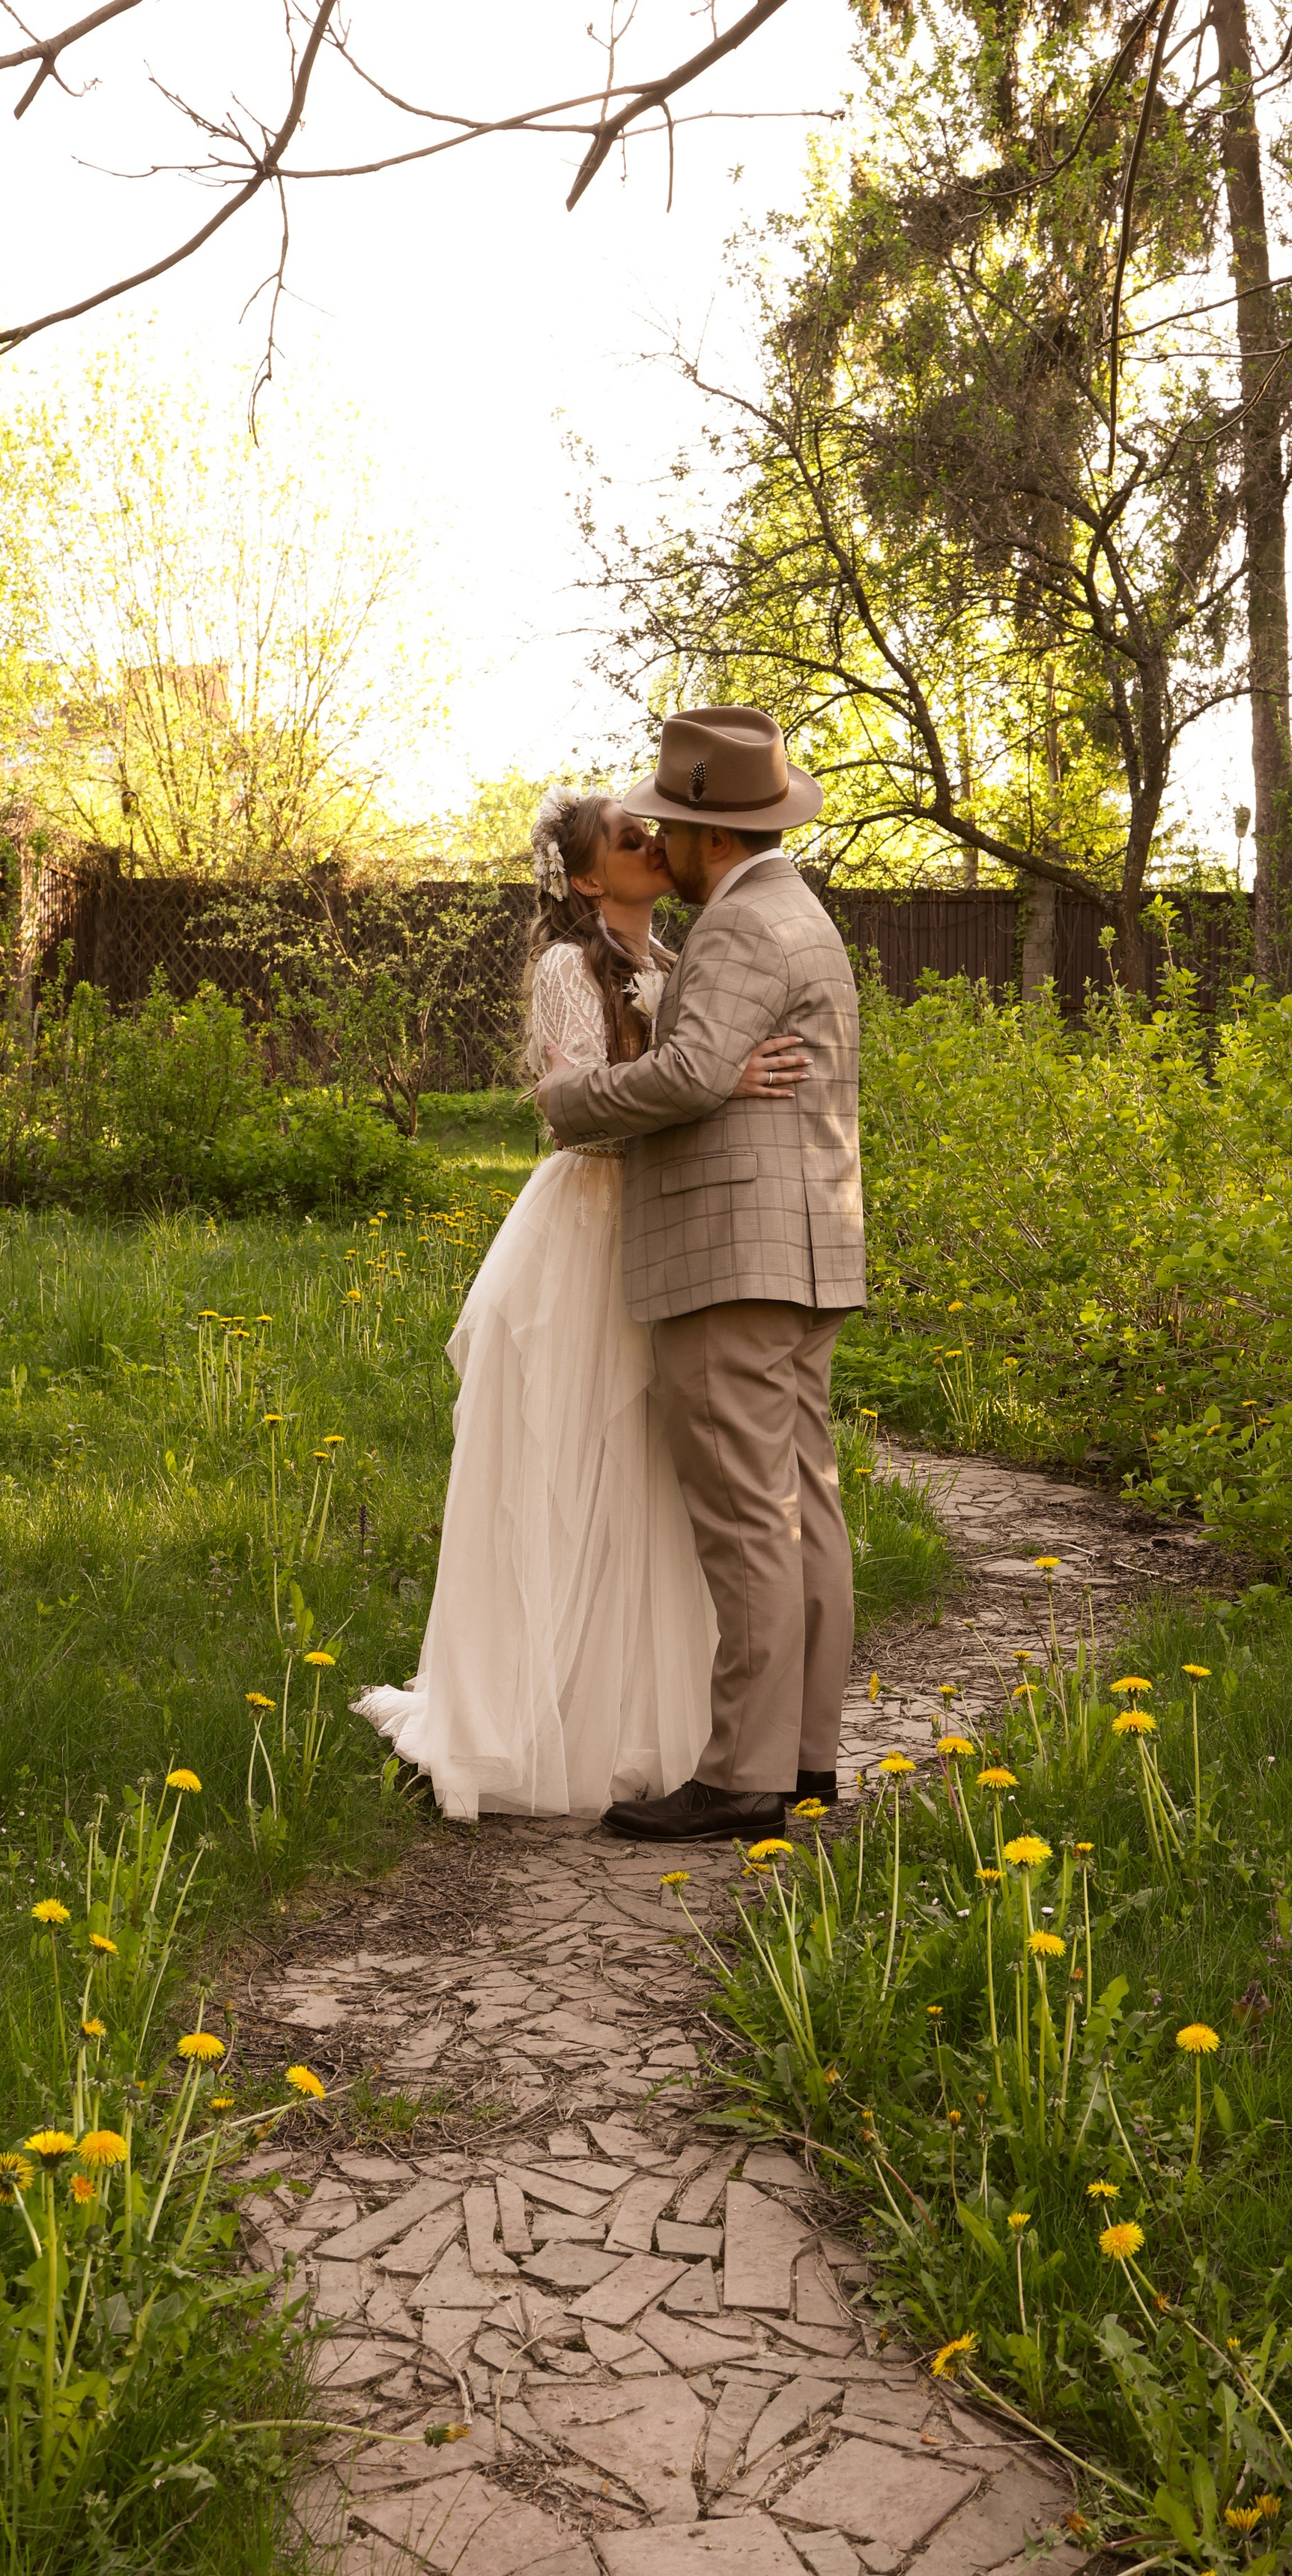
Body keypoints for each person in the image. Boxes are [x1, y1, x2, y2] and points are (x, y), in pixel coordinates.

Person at [354, 786, 799, 1818]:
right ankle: (528, 1707)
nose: (655, 844)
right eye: (630, 838)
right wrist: (716, 1084)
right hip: (584, 1230)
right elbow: (575, 1121)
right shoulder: (567, 970)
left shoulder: (680, 969)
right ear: (589, 877)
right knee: (563, 1455)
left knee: (647, 1465)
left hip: (660, 1228)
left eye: (655, 834)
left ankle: (636, 1712)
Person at [536, 706, 865, 1846]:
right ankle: (806, 1757)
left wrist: (567, 1105)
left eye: (667, 825)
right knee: (800, 1505)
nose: (657, 843)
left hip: (733, 1259)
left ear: (706, 836)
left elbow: (688, 1076)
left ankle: (742, 1777)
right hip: (803, 1247)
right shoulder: (795, 910)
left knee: (745, 1519)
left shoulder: (737, 928)